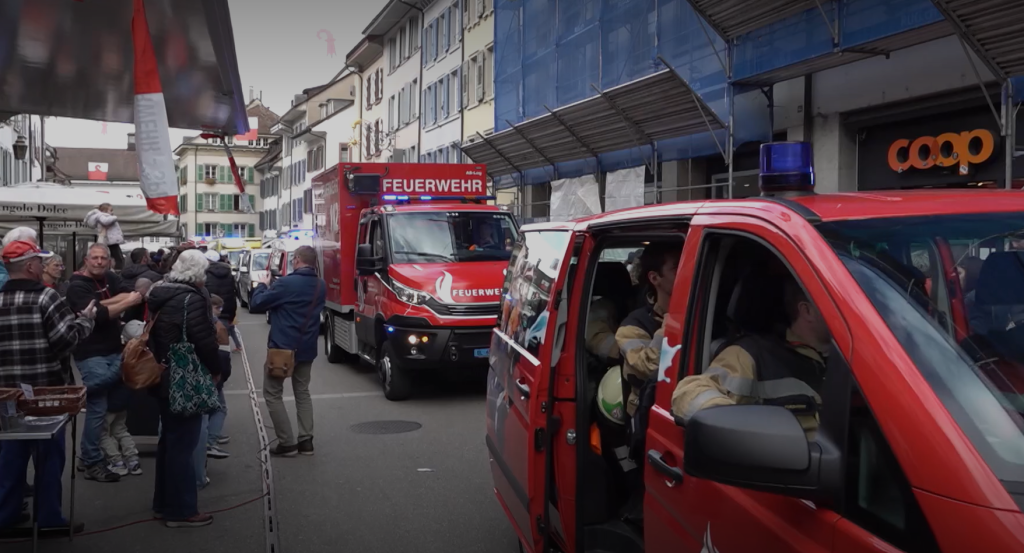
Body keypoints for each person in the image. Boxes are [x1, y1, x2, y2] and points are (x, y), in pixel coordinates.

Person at [0, 240, 95, 536]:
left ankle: (6, 517)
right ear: (29, 266)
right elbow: (65, 340)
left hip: (7, 397)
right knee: (49, 459)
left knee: (9, 458)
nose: (43, 266)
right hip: (47, 395)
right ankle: (49, 519)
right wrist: (86, 321)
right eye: (40, 262)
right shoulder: (46, 297)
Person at [671, 278, 830, 439]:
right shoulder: (751, 355)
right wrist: (735, 429)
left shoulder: (846, 359)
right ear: (807, 311)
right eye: (836, 306)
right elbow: (689, 390)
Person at [146, 250, 221, 528]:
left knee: (169, 442)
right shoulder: (191, 298)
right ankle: (181, 510)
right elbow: (204, 341)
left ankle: (162, 504)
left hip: (162, 373)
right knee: (182, 445)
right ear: (199, 273)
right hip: (183, 378)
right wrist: (216, 369)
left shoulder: (160, 292)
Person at [64, 244, 142, 482]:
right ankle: (91, 461)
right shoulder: (76, 286)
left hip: (113, 349)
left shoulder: (110, 277)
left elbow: (132, 295)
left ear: (110, 261)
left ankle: (90, 455)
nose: (99, 262)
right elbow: (100, 315)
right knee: (97, 407)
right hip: (90, 352)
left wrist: (105, 305)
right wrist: (117, 304)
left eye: (103, 258)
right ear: (85, 261)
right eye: (94, 258)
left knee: (113, 407)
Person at [249, 245, 326, 457]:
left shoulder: (285, 283)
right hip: (307, 347)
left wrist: (262, 286)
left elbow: (256, 304)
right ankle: (306, 441)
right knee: (302, 392)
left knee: (272, 393)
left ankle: (287, 442)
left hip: (282, 349)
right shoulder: (321, 285)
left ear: (298, 259)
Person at [615, 243, 682, 419]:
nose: (687, 273)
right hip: (649, 419)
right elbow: (651, 369)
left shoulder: (708, 313)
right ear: (654, 278)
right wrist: (674, 319)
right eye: (677, 268)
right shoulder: (632, 326)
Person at [206, 294, 232, 457]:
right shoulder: (219, 327)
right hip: (214, 373)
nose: (220, 312)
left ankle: (210, 437)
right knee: (219, 408)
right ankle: (211, 440)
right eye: (218, 308)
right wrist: (223, 376)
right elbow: (224, 355)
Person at [203, 250, 241, 353]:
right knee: (225, 335)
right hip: (227, 309)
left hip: (212, 308)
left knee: (215, 337)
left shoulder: (205, 274)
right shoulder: (229, 273)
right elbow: (235, 291)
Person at [84, 203, 125, 270]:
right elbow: (105, 222)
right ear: (105, 211)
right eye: (110, 210)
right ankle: (117, 270)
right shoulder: (102, 216)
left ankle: (115, 269)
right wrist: (114, 217)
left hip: (109, 240)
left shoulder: (101, 216)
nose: (112, 212)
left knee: (116, 257)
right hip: (110, 240)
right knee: (117, 258)